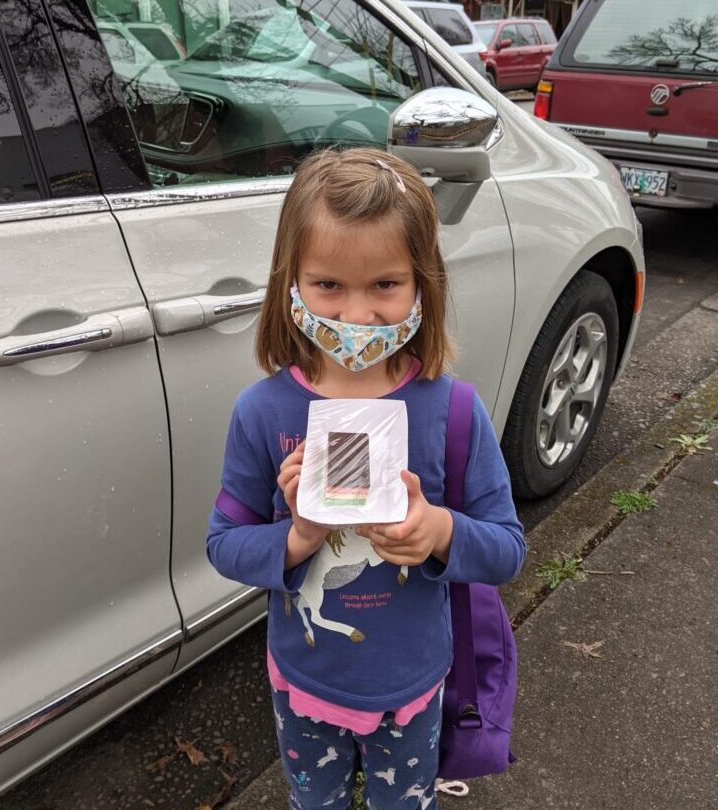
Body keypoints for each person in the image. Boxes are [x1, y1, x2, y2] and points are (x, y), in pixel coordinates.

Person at [206, 147, 525, 809]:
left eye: (385, 284)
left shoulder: (453, 410)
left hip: (413, 687)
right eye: (328, 285)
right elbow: (223, 543)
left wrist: (438, 530)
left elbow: (506, 548)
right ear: (289, 283)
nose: (355, 317)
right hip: (303, 684)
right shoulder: (263, 412)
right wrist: (295, 540)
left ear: (422, 284)